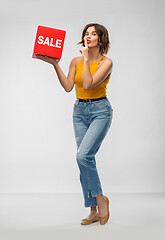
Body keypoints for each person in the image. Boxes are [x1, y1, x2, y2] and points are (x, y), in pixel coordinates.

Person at [36, 23, 113, 225]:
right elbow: (69, 87)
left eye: (93, 34)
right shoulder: (75, 61)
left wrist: (87, 60)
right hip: (79, 112)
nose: (88, 37)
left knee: (83, 156)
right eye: (86, 34)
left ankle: (100, 198)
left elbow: (88, 84)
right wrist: (55, 64)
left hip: (100, 112)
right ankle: (93, 209)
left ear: (101, 39)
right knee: (84, 160)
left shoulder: (107, 63)